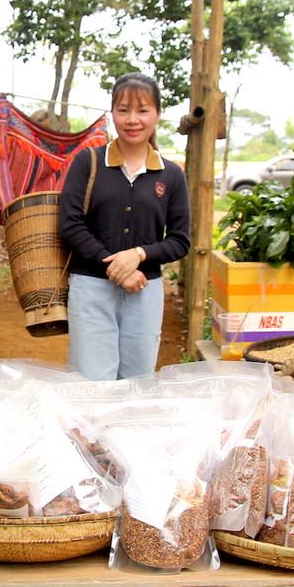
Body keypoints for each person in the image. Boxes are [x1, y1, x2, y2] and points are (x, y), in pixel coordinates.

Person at [58, 72, 191, 380]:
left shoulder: (171, 174)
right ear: (112, 113)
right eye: (123, 110)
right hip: (91, 289)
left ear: (157, 114)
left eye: (143, 110)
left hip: (145, 291)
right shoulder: (88, 162)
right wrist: (118, 268)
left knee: (137, 381)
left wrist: (139, 255)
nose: (133, 119)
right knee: (91, 380)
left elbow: (180, 240)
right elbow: (71, 224)